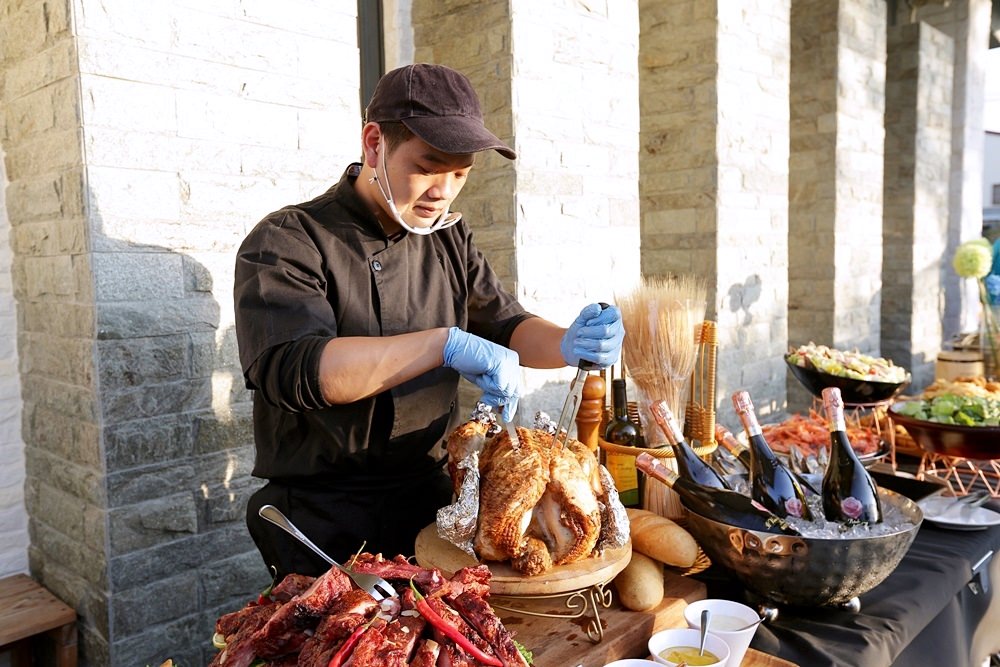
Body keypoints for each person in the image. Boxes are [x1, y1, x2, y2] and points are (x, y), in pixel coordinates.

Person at [234, 63, 624, 579]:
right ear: (374, 143)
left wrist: (570, 343)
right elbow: (300, 368)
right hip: (324, 515)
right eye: (429, 165)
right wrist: (442, 344)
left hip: (433, 499)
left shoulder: (446, 239)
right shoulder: (289, 239)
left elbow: (505, 324)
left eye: (460, 173)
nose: (443, 190)